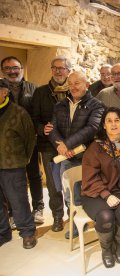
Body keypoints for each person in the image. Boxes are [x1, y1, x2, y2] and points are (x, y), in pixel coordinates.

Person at [49, 70, 104, 238]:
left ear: (86, 85)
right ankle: (74, 222)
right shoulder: (60, 105)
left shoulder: (96, 105)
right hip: (65, 156)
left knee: (83, 192)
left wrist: (67, 144)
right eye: (70, 84)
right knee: (68, 194)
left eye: (77, 83)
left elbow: (91, 128)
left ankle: (87, 221)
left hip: (85, 156)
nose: (73, 87)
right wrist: (60, 146)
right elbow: (53, 128)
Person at [81, 107, 120, 268]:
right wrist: (106, 194)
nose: (113, 124)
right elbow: (89, 178)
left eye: (117, 120)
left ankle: (119, 244)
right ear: (103, 125)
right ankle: (106, 249)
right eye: (109, 121)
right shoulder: (95, 147)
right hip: (95, 193)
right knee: (105, 216)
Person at [1, 56, 44, 225]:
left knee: (34, 174)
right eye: (7, 68)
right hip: (8, 146)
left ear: (21, 69)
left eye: (15, 67)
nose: (12, 71)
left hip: (30, 140)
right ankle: (13, 212)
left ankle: (38, 207)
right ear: (3, 71)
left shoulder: (33, 88)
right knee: (10, 180)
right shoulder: (0, 89)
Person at [31, 56, 71, 232]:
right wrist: (41, 128)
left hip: (71, 146)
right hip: (49, 146)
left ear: (68, 71)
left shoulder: (74, 90)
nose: (58, 71)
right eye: (55, 68)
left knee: (71, 181)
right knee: (54, 185)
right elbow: (33, 119)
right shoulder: (40, 92)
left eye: (62, 68)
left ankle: (74, 214)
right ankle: (57, 216)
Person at [0, 80, 37, 249]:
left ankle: (27, 232)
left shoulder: (19, 113)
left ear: (5, 93)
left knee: (18, 200)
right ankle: (3, 232)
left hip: (13, 165)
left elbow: (30, 139)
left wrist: (24, 159)